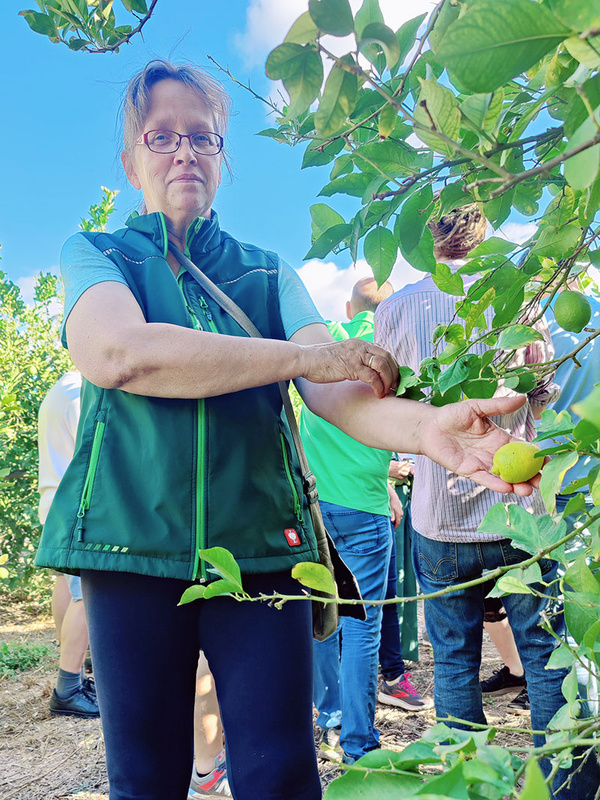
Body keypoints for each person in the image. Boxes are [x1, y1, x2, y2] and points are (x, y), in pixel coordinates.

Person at [35, 60, 544, 800]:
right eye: (162, 136)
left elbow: (339, 392)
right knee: (143, 779)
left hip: (264, 552)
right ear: (131, 159)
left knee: (281, 775)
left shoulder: (266, 273)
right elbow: (119, 354)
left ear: (222, 158)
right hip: (128, 548)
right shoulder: (99, 254)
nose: (184, 153)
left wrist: (430, 429)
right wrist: (304, 354)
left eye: (203, 139)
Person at [375, 204, 600, 798]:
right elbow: (544, 394)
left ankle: (466, 787)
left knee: (451, 661)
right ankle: (569, 787)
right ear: (485, 227)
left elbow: (387, 404)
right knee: (547, 657)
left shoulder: (395, 309)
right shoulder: (520, 296)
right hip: (518, 514)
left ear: (430, 235)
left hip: (438, 518)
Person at [301, 278, 430, 765]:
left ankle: (328, 716)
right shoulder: (390, 352)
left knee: (322, 615)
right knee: (363, 624)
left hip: (316, 506)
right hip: (365, 504)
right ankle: (359, 744)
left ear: (346, 306)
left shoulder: (326, 342)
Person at [481, 281, 600, 717]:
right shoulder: (589, 319)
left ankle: (572, 712)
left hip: (546, 487)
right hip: (588, 481)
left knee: (564, 615)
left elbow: (525, 404)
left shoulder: (526, 324)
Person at [38, 371, 99, 718]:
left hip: (55, 500)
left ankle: (72, 661)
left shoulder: (59, 388)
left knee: (66, 581)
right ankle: (69, 687)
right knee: (87, 593)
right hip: (75, 502)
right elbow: (91, 449)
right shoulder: (80, 391)